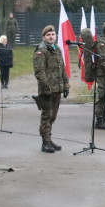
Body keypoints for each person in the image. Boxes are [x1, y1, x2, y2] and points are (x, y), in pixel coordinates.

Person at [32, 24, 69, 152]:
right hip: (47, 90)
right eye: (48, 35)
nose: (51, 36)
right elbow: (39, 72)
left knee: (53, 116)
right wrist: (46, 88)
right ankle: (45, 142)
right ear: (44, 37)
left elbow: (62, 69)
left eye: (53, 34)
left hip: (57, 88)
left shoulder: (56, 49)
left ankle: (48, 138)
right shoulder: (41, 51)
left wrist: (66, 85)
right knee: (46, 116)